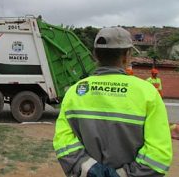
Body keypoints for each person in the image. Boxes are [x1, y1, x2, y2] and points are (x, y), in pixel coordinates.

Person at [53, 27, 172, 177]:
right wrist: (122, 174)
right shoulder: (148, 93)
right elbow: (158, 154)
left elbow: (63, 142)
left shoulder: (74, 92)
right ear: (127, 55)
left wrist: (88, 169)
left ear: (95, 55)